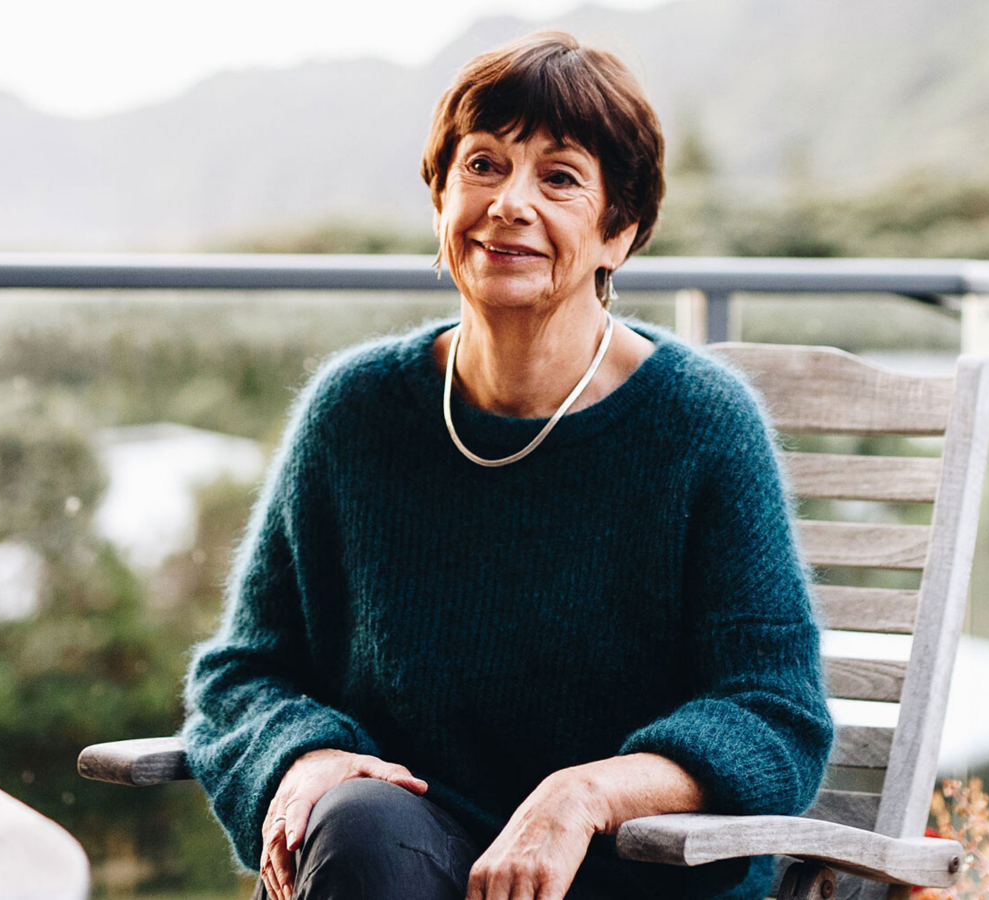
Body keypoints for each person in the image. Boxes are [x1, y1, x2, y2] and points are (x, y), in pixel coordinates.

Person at [180, 30, 834, 900]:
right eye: (482, 165)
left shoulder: (702, 427)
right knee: (357, 822)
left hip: (635, 873)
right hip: (401, 858)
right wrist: (299, 753)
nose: (509, 203)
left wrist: (585, 794)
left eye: (559, 178)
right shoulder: (356, 413)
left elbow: (773, 713)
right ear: (441, 197)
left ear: (620, 232)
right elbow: (245, 673)